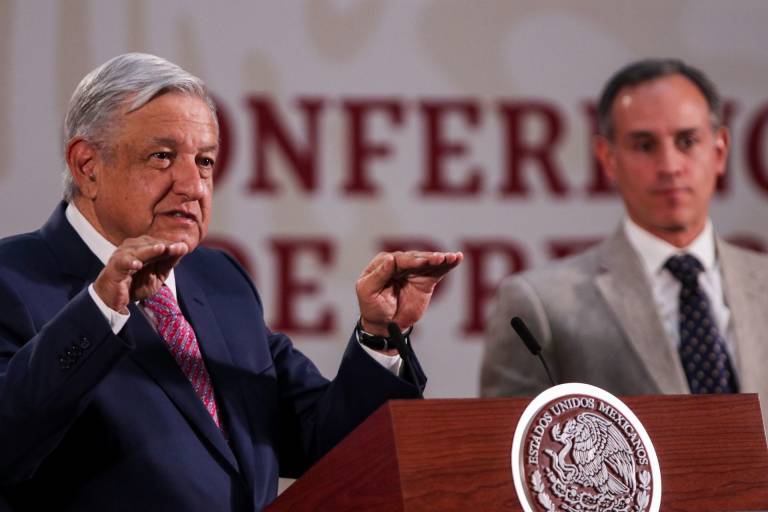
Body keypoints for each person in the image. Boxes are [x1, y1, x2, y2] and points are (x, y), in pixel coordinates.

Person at [0, 53, 463, 511]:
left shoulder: (220, 280)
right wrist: (101, 310)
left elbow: (324, 439)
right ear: (87, 166)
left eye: (204, 161)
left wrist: (378, 337)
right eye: (162, 157)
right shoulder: (13, 281)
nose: (193, 185)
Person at [481, 58, 768, 423]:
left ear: (720, 150)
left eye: (687, 141)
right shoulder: (541, 305)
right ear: (608, 158)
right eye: (644, 145)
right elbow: (509, 456)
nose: (669, 165)